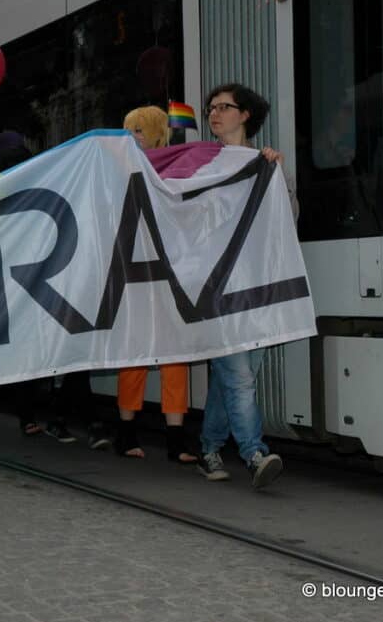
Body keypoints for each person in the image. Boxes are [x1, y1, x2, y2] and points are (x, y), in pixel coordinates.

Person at [196, 83, 292, 488]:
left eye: (224, 107)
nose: (215, 114)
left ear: (245, 114)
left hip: (256, 287)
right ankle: (254, 454)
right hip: (216, 288)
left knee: (231, 375)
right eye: (212, 109)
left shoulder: (263, 161)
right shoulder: (202, 164)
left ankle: (208, 448)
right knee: (240, 377)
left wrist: (277, 177)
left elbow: (290, 218)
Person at [114, 107, 197, 464]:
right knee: (134, 356)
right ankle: (126, 434)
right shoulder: (117, 172)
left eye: (139, 131)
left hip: (168, 275)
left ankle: (176, 441)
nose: (132, 137)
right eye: (129, 130)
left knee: (175, 358)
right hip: (135, 278)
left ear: (156, 134)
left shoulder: (173, 168)